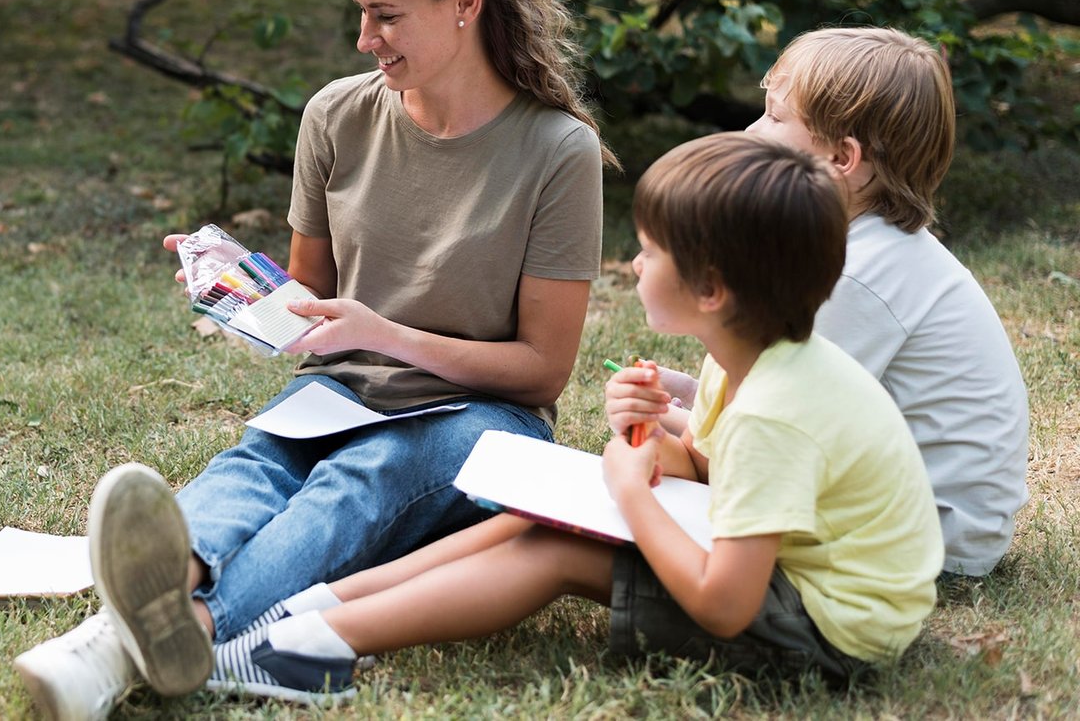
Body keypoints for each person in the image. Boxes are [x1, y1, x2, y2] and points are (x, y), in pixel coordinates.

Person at [13, 0, 612, 719]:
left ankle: (143, 639)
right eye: (360, 11)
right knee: (253, 468)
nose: (365, 37)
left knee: (360, 479)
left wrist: (390, 337)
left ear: (465, 2)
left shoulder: (556, 150)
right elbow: (313, 305)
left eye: (388, 15)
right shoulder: (336, 115)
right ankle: (151, 606)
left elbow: (541, 373)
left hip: (479, 422)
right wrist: (238, 287)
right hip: (341, 393)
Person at [180, 133, 945, 702]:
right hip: (793, 568)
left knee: (556, 550)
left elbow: (724, 603)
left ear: (711, 290)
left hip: (831, 628)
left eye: (650, 253)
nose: (634, 266)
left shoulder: (778, 410)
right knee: (534, 511)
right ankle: (307, 609)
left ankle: (305, 650)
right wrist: (658, 445)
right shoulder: (749, 361)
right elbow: (717, 468)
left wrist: (634, 489)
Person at [663, 27, 1028, 577]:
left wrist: (678, 431)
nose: (750, 130)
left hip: (930, 536)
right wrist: (695, 403)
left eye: (774, 117)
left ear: (840, 157)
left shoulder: (853, 279)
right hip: (907, 508)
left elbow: (767, 444)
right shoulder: (856, 251)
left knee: (660, 490)